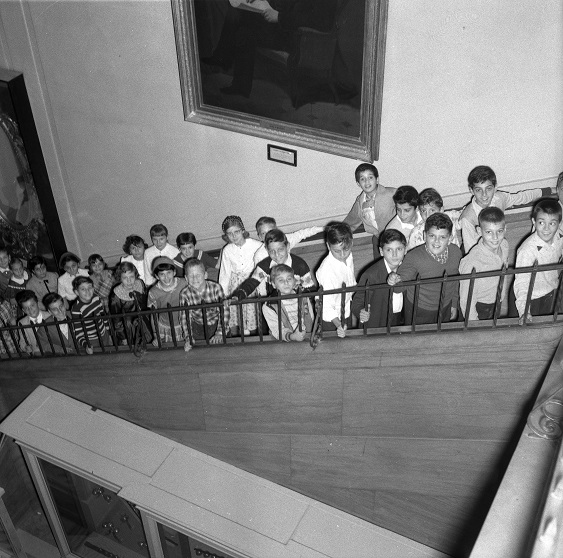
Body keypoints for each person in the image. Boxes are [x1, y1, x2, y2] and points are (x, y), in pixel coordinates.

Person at [207, 0, 337, 97]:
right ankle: (240, 86)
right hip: (283, 29)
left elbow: (323, 22)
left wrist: (279, 17)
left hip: (298, 39)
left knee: (241, 21)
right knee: (242, 26)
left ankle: (223, 58)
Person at [388, 213, 462, 325]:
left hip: (445, 305)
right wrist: (395, 280)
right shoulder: (413, 257)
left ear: (450, 238)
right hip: (419, 309)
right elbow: (398, 288)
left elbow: (455, 281)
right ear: (424, 235)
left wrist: (454, 304)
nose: (436, 241)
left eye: (442, 237)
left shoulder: (456, 252)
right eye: (432, 236)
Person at [460, 165, 552, 252]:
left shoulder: (499, 198)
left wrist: (548, 191)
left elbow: (522, 197)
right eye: (478, 190)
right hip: (478, 253)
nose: (484, 195)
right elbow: (471, 252)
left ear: (495, 187)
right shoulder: (468, 218)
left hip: (498, 244)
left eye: (488, 189)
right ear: (471, 190)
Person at [513, 199, 563, 324]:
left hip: (550, 292)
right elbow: (522, 284)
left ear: (559, 224)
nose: (546, 228)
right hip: (529, 299)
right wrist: (524, 311)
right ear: (534, 222)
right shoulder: (527, 251)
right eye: (541, 222)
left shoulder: (559, 237)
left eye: (552, 223)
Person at [232, 228, 314, 300]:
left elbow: (309, 289)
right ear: (266, 250)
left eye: (280, 249)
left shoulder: (300, 265)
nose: (277, 255)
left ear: (288, 246)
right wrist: (238, 296)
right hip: (276, 305)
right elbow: (253, 282)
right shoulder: (265, 266)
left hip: (297, 305)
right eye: (272, 251)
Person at [459, 207, 509, 321]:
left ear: (505, 229)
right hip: (477, 307)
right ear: (479, 231)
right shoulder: (472, 262)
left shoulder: (504, 245)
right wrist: (473, 324)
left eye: (499, 231)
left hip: (496, 301)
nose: (495, 237)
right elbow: (466, 299)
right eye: (489, 232)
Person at [352, 229, 406, 328]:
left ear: (405, 249)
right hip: (378, 321)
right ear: (381, 251)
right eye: (389, 250)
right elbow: (358, 300)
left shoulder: (408, 268)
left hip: (399, 319)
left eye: (399, 249)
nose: (394, 254)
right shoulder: (371, 274)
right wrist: (361, 311)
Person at [218, 215, 262, 336]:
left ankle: (253, 335)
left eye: (236, 232)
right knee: (237, 313)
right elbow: (225, 273)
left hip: (251, 284)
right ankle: (239, 337)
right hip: (235, 285)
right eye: (229, 233)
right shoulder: (227, 250)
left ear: (243, 230)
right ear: (226, 235)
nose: (233, 236)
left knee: (251, 313)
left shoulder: (256, 245)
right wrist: (223, 294)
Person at [343, 163, 396, 259]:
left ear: (377, 179)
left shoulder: (391, 193)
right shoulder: (360, 202)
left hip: (397, 236)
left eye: (370, 177)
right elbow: (351, 221)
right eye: (363, 179)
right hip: (378, 238)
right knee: (379, 265)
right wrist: (338, 233)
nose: (367, 182)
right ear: (358, 183)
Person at [315, 222, 356, 337]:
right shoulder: (326, 271)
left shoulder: (348, 255)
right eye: (337, 251)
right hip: (331, 320)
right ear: (328, 246)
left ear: (351, 242)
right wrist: (339, 325)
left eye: (346, 249)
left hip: (346, 309)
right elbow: (327, 306)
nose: (343, 255)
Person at [180, 259, 230, 351]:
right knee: (200, 352)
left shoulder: (216, 287)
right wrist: (188, 337)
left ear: (205, 275)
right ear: (186, 278)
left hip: (217, 323)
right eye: (191, 276)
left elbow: (224, 312)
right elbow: (185, 317)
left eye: (198, 275)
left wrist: (220, 333)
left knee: (221, 350)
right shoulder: (184, 293)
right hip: (198, 327)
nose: (195, 279)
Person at [262, 264, 313, 342]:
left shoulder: (303, 297)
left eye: (289, 279)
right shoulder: (269, 305)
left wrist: (309, 333)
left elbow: (311, 317)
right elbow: (277, 330)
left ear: (294, 281)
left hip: (306, 336)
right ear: (273, 284)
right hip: (284, 341)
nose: (286, 283)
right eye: (280, 280)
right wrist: (292, 336)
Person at [109, 261, 153, 346]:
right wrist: (123, 337)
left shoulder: (140, 283)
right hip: (129, 327)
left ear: (135, 275)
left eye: (131, 277)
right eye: (125, 278)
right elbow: (116, 319)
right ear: (120, 278)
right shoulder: (116, 294)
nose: (129, 281)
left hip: (145, 323)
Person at [147, 256, 187, 345]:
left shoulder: (184, 283)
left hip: (184, 324)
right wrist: (155, 334)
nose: (166, 277)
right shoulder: (153, 292)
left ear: (174, 272)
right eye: (162, 274)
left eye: (169, 272)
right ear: (157, 276)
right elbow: (153, 315)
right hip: (165, 327)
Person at [253, 216, 323, 265]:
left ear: (277, 230)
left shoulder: (285, 239)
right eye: (263, 233)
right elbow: (258, 279)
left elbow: (302, 233)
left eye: (271, 231)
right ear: (260, 237)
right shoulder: (259, 256)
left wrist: (323, 229)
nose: (268, 235)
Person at [70, 276, 109, 354]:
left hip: (104, 333)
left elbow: (102, 313)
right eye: (83, 289)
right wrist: (86, 344)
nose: (87, 291)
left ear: (93, 289)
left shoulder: (96, 298)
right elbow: (78, 332)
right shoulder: (76, 309)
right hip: (91, 340)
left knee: (108, 353)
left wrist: (107, 329)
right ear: (76, 292)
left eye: (89, 287)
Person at [15, 290, 51, 355]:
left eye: (32, 305)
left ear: (37, 303)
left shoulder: (49, 316)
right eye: (26, 308)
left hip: (53, 351)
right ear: (23, 310)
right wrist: (26, 347)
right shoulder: (22, 323)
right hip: (36, 353)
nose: (30, 309)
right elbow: (22, 341)